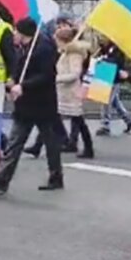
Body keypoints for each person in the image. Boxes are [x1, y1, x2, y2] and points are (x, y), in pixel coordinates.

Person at [0, 18, 63, 193]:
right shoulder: (22, 48)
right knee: (15, 141)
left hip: (42, 104)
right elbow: (20, 68)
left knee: (50, 143)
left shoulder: (43, 48)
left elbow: (46, 75)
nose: (14, 35)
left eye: (16, 32)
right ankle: (2, 178)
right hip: (25, 106)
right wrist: (13, 80)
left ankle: (56, 177)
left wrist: (23, 85)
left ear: (24, 33)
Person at [54, 23, 95, 160]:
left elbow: (75, 74)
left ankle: (88, 148)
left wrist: (57, 79)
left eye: (58, 41)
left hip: (71, 91)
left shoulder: (74, 54)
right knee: (63, 118)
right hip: (64, 91)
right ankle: (80, 145)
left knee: (78, 121)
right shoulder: (66, 53)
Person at [94, 37, 131, 136]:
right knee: (115, 102)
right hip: (106, 74)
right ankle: (129, 120)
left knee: (106, 101)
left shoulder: (119, 49)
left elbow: (115, 61)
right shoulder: (109, 47)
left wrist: (103, 59)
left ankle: (105, 125)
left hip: (113, 77)